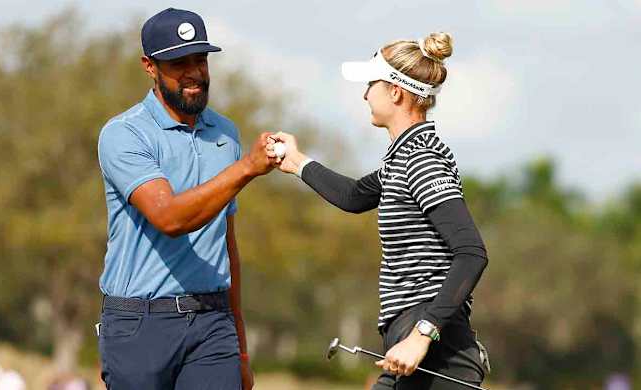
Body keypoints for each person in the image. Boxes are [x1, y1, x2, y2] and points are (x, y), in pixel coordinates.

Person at [269, 32, 490, 389]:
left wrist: (422, 336)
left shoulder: (421, 158)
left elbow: (471, 252)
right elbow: (355, 196)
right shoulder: (401, 158)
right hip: (417, 341)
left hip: (437, 349)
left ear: (396, 92)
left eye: (371, 83)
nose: (364, 93)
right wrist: (296, 162)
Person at [96, 8, 274, 390]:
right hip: (139, 326)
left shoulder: (225, 133)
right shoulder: (124, 134)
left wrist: (241, 349)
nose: (194, 72)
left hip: (212, 324)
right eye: (179, 62)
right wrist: (246, 168)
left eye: (201, 59)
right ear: (149, 66)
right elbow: (169, 218)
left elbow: (227, 244)